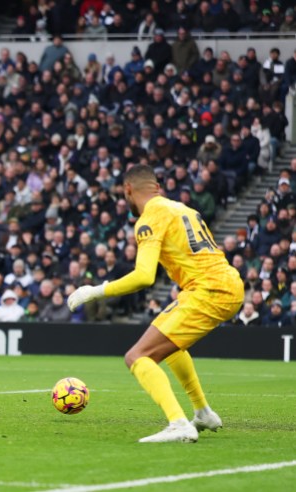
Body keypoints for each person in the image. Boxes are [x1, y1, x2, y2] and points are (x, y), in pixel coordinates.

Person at [68, 164, 243, 443]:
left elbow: (144, 277)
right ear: (157, 187)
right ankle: (202, 412)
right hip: (224, 283)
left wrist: (94, 291)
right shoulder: (184, 209)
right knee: (172, 345)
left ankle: (178, 423)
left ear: (128, 190)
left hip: (208, 289)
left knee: (137, 356)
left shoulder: (150, 217)